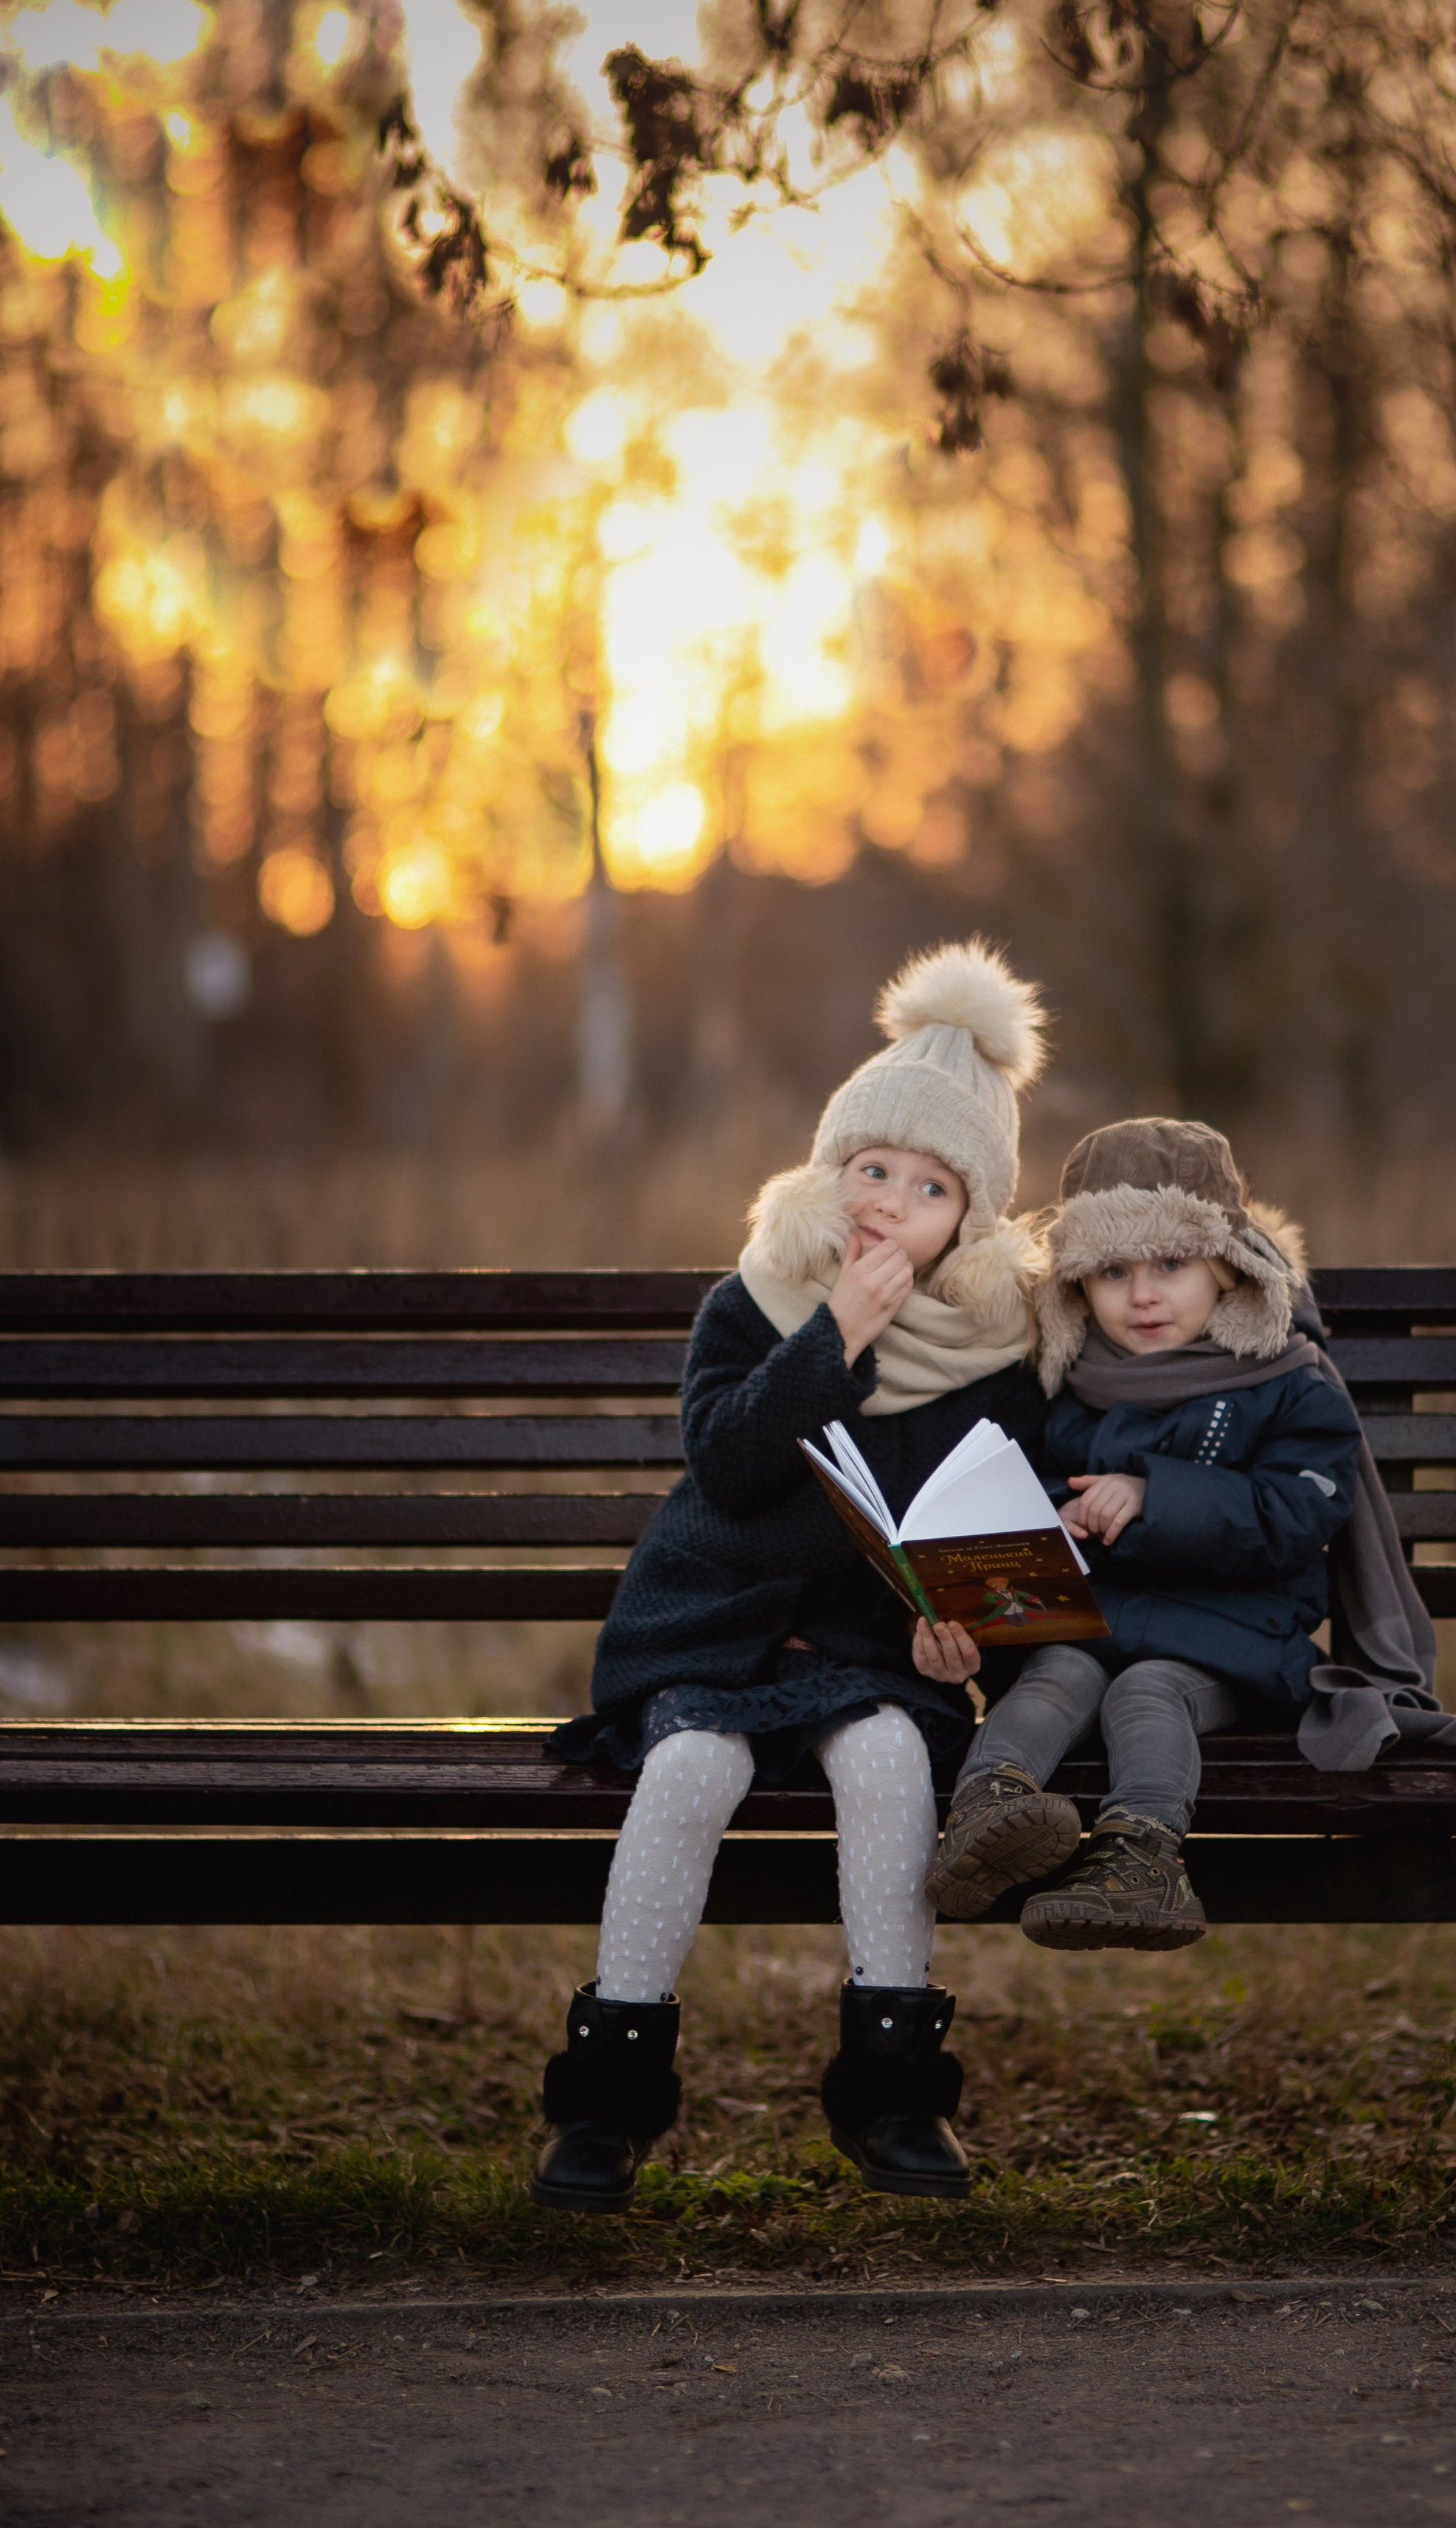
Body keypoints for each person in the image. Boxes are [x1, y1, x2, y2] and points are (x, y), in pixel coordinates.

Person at [530, 941, 1048, 2210]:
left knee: (887, 1767)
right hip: (713, 1630)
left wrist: (968, 1639)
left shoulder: (994, 1354)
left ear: (967, 1222)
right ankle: (607, 2100)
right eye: (869, 1167)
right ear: (830, 1169)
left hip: (874, 1653)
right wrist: (837, 1341)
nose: (887, 1201)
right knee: (690, 1770)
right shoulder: (758, 1300)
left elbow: (997, 1540)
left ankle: (892, 2089)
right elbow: (729, 1460)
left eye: (927, 1187)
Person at [918, 1117, 1361, 1950]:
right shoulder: (1072, 1384)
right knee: (1052, 1676)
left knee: (1144, 1691)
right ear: (1076, 1288)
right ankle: (988, 1813)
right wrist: (1049, 1513)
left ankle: (1142, 1858)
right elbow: (1019, 1476)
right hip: (1092, 1627)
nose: (1142, 1294)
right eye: (1111, 1272)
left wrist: (1157, 1499)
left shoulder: (1287, 1385)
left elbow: (1299, 1511)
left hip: (1229, 1646)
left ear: (1226, 1267)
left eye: (1169, 1265)